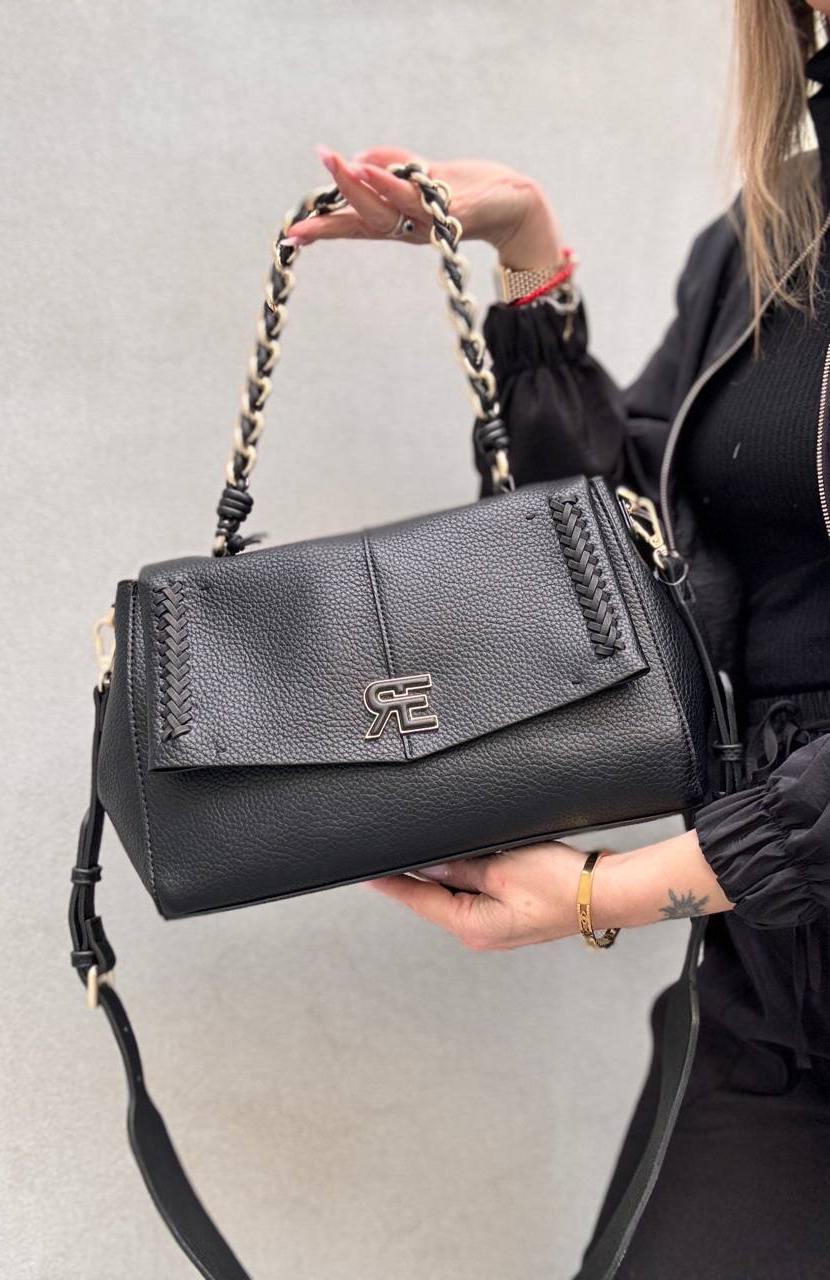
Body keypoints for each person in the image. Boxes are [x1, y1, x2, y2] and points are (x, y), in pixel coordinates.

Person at [285, 1, 830, 1275]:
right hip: (773, 988)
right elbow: (627, 564)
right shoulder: (767, 234)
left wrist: (603, 893)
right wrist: (530, 259)